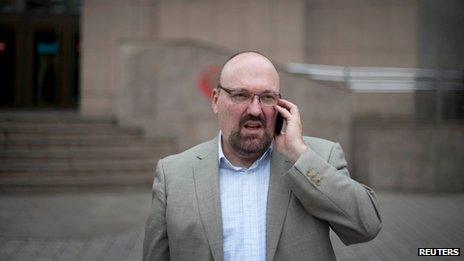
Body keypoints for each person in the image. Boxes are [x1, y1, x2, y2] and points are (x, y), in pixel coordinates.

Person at [143, 51, 382, 261]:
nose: (255, 110)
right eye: (240, 95)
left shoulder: (316, 158)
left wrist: (298, 153)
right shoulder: (173, 174)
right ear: (216, 101)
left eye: (267, 97)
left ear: (282, 105)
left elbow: (367, 225)